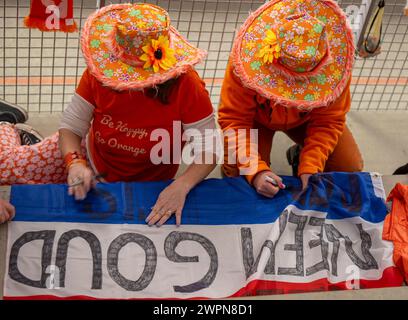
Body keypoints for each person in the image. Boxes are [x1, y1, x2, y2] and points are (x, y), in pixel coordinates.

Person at [0, 3, 217, 227]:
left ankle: (29, 138)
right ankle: (6, 124)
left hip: (148, 180)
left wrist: (181, 185)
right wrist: (74, 163)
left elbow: (209, 150)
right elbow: (72, 128)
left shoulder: (188, 86)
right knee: (5, 168)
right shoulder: (98, 73)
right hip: (90, 154)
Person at [218, 0, 363, 198]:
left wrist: (311, 165)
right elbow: (234, 121)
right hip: (256, 121)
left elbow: (328, 121)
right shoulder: (242, 62)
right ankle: (242, 168)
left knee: (349, 166)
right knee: (238, 172)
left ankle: (300, 155)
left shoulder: (336, 71)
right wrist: (256, 170)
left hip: (306, 120)